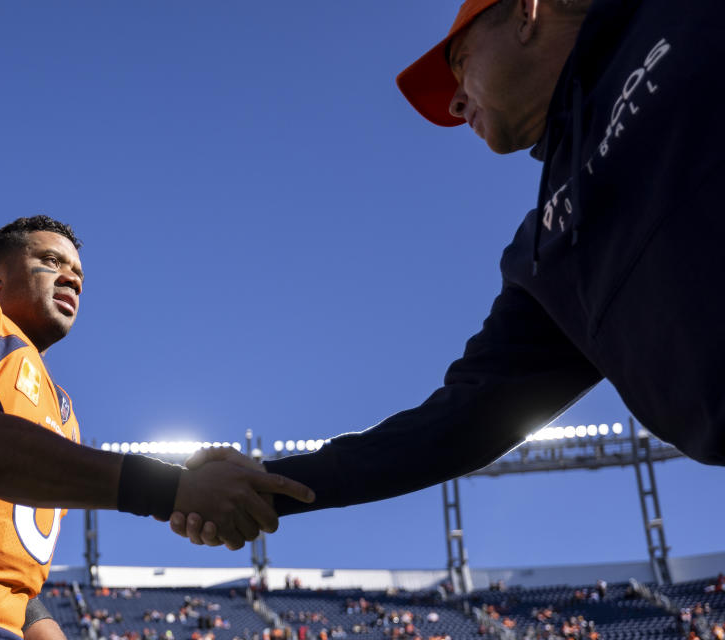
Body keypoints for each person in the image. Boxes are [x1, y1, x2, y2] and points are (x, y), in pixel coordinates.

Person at [171, 0, 725, 544]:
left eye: (460, 62)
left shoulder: (680, 16)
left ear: (527, 13)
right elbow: (458, 423)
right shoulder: (548, 250)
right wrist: (268, 484)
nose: (457, 104)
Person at [0, 216, 313, 640]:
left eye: (79, 274)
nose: (71, 278)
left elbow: (11, 577)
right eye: (50, 262)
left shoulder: (64, 410)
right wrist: (175, 489)